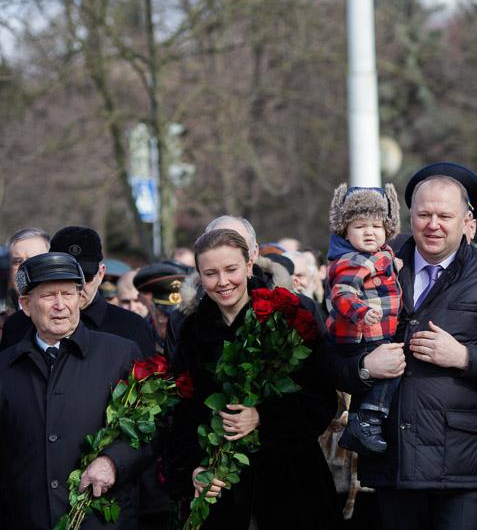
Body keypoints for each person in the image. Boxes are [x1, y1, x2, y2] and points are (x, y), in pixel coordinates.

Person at [323, 162, 477, 530]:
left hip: (465, 469)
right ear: (409, 217)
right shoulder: (370, 267)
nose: (433, 224)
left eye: (444, 215)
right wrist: (365, 368)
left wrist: (465, 357)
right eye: (423, 214)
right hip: (395, 463)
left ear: (466, 221)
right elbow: (333, 355)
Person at [167, 229, 339, 529]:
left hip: (292, 486)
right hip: (222, 490)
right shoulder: (192, 333)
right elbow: (181, 412)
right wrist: (193, 468)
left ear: (249, 265)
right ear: (198, 275)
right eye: (211, 273)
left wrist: (263, 417)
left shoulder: (288, 317)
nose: (223, 282)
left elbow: (321, 399)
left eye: (231, 269)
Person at [0, 252, 149, 528]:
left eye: (68, 294)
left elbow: (151, 427)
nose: (60, 305)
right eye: (48, 296)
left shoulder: (121, 354)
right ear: (26, 305)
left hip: (102, 521)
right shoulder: (5, 368)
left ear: (80, 299)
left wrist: (113, 461)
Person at [325, 183, 403, 454]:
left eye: (377, 226)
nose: (370, 232)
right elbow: (342, 292)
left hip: (376, 331)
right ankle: (367, 420)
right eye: (360, 226)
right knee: (390, 373)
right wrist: (361, 311)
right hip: (362, 332)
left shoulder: (379, 255)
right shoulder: (353, 260)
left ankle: (360, 423)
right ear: (345, 230)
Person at [0, 226, 155, 356]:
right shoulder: (17, 324)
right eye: (66, 279)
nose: (78, 286)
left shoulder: (131, 327)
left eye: (85, 278)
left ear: (100, 274)